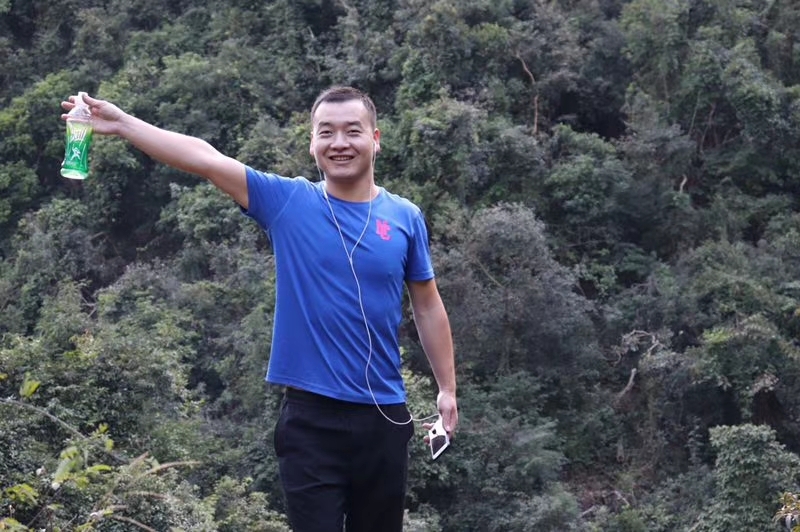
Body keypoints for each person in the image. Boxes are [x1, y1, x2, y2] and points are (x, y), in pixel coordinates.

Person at [61, 86, 458, 532]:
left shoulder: (405, 217)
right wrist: (122, 124)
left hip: (384, 416)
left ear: (376, 139)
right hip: (310, 421)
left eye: (352, 131)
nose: (339, 143)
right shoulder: (289, 202)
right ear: (312, 142)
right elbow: (205, 159)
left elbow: (427, 305)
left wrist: (447, 388)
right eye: (326, 132)